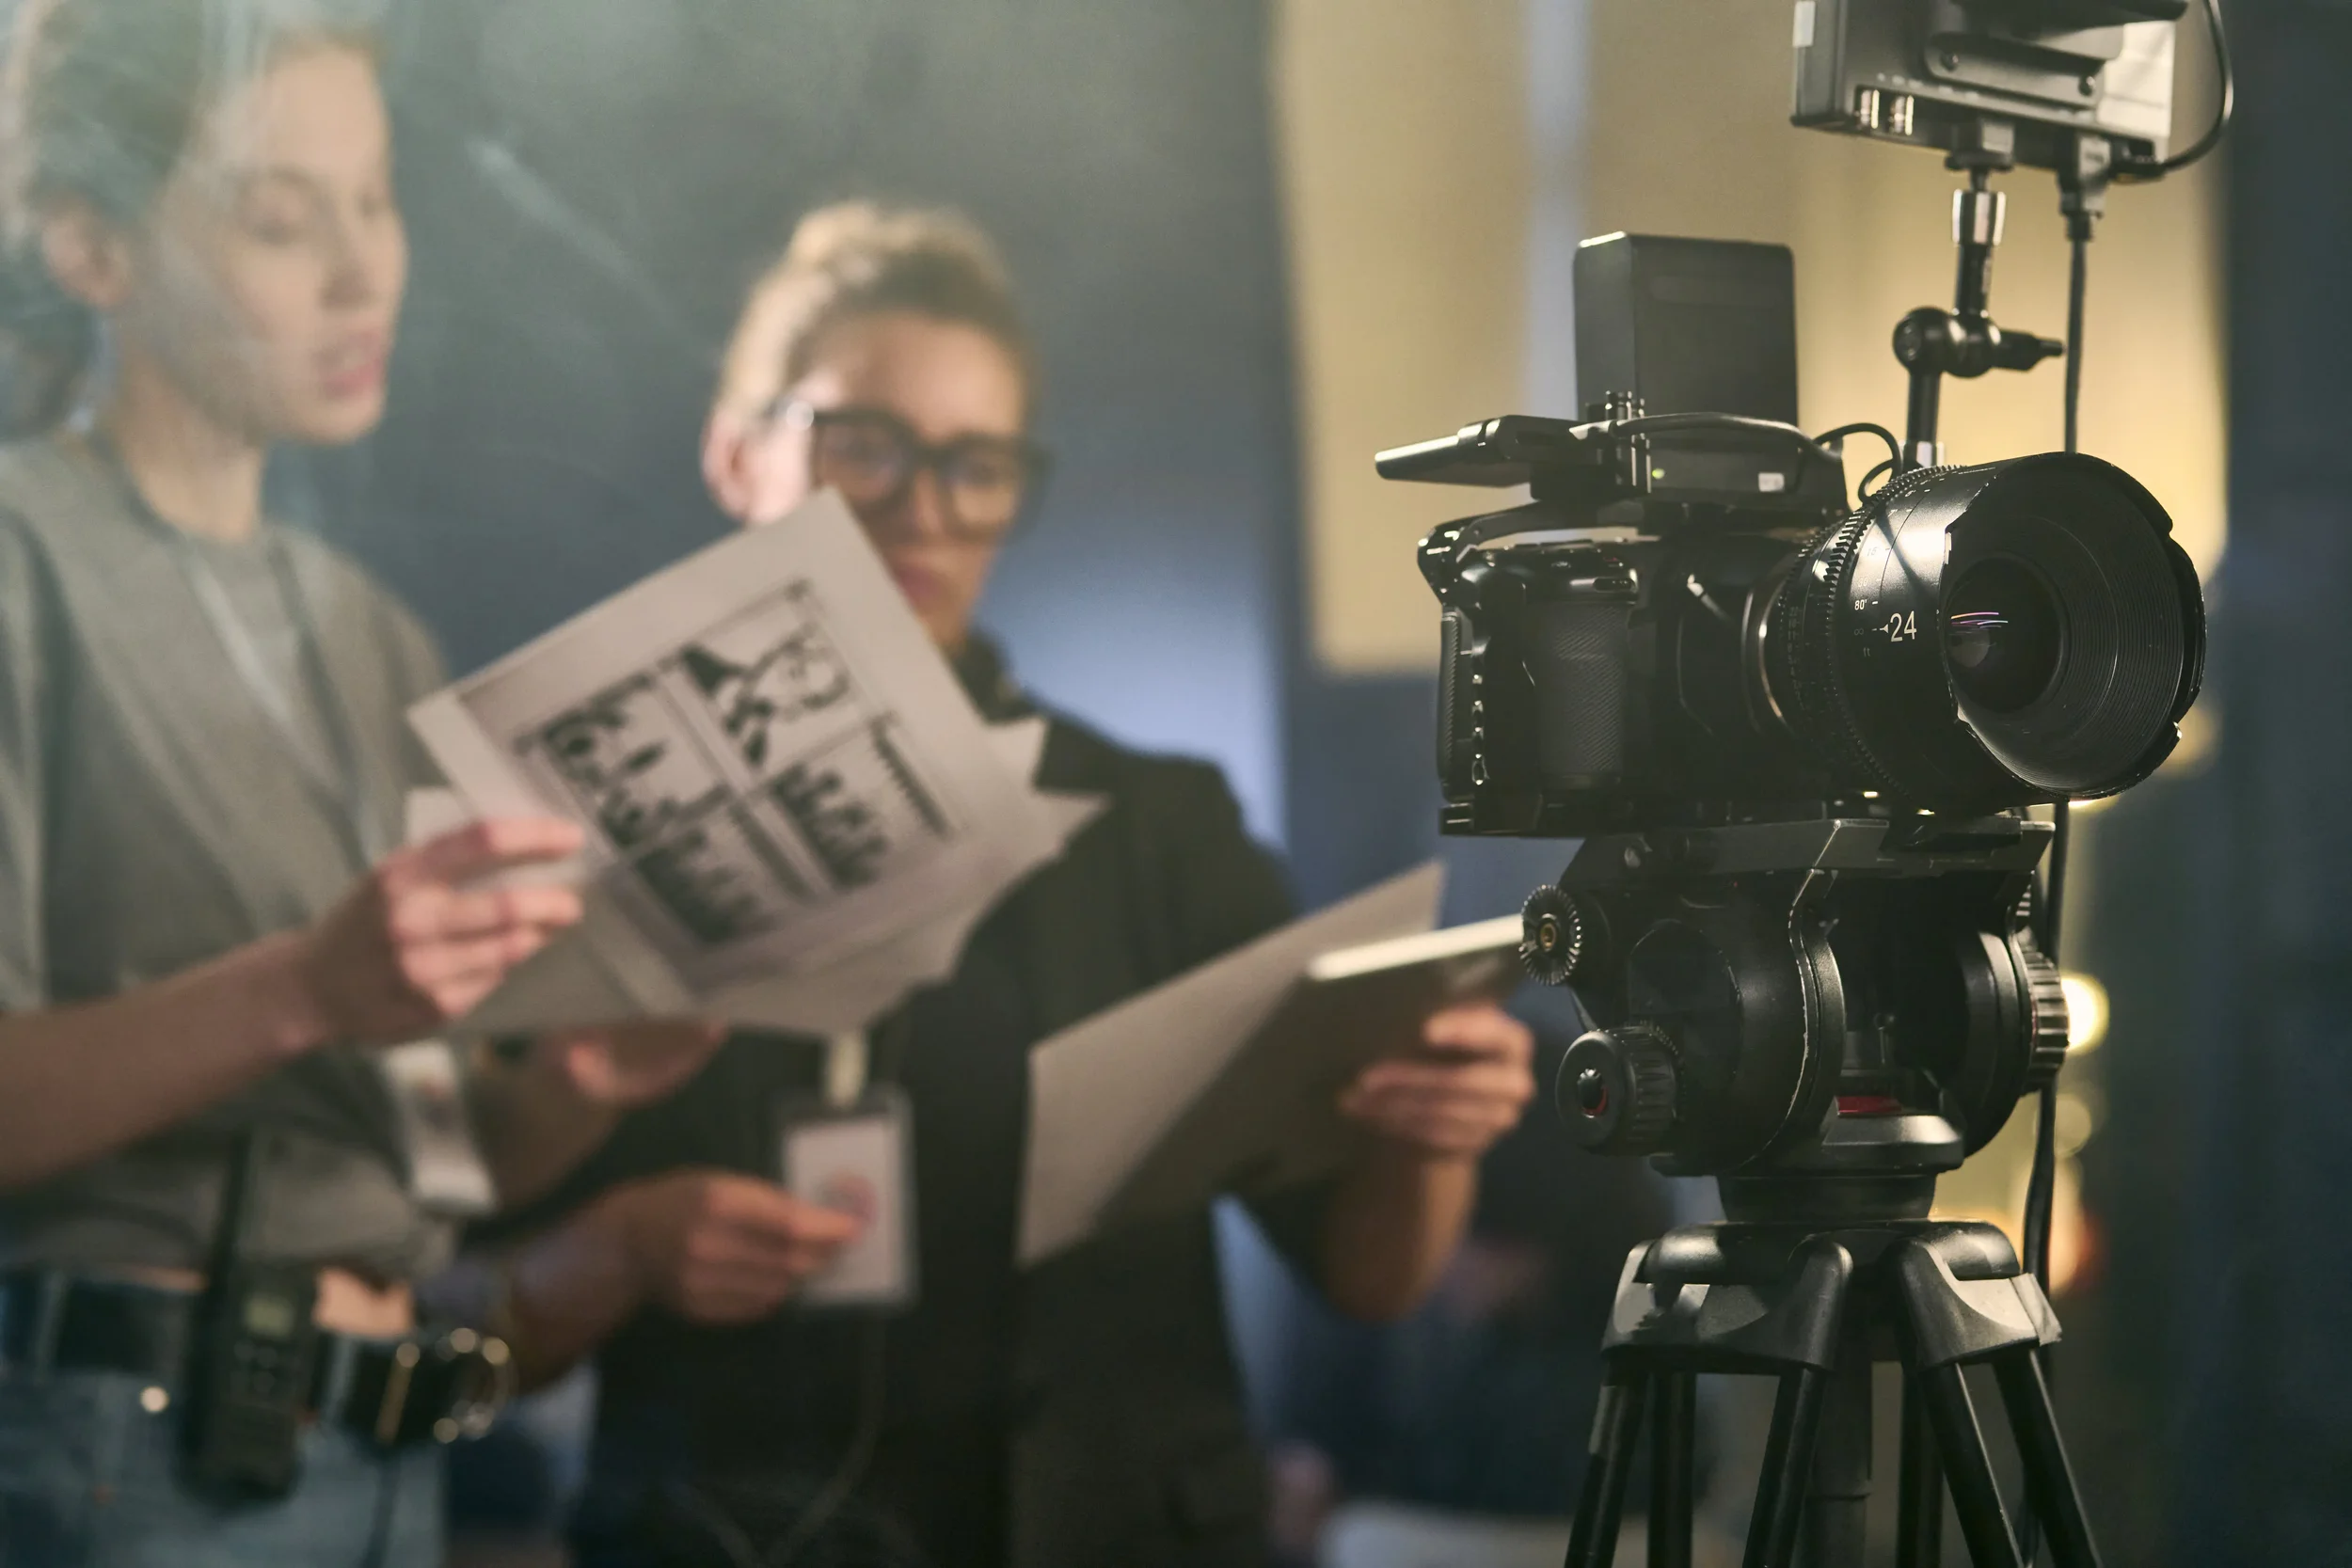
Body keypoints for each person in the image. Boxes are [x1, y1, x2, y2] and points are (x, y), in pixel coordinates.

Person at [476, 201, 1540, 1568]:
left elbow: (1367, 1271)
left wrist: (1429, 1130)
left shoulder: (1158, 824)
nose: (922, 507)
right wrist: (615, 1250)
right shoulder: (588, 828)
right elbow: (450, 1310)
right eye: (863, 446)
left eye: (978, 465)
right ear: (737, 452)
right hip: (721, 1532)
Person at [0, 4, 719, 1563]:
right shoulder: (20, 562)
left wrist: (572, 1090)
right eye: (279, 220)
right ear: (91, 249)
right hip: (120, 1461)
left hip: (387, 1457)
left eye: (378, 202)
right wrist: (307, 988)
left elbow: (434, 1165)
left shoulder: (371, 629)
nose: (362, 273)